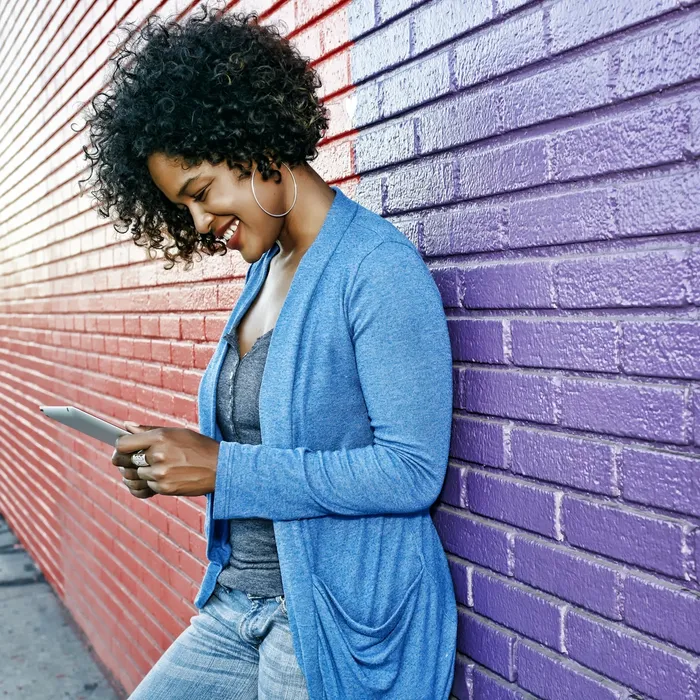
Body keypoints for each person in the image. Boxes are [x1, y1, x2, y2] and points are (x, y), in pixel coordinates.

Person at [77, 3, 457, 698]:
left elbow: (410, 473)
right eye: (180, 207)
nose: (199, 222)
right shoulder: (265, 271)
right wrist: (178, 460)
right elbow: (266, 438)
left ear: (254, 141)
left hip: (332, 615)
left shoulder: (376, 270)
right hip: (236, 604)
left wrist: (222, 467)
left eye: (200, 193)